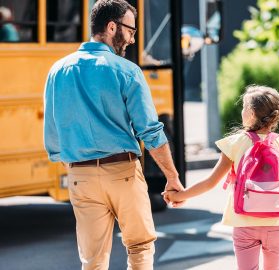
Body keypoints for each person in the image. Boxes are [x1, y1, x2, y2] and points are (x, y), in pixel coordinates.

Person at [43, 1, 184, 269]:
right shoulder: (126, 71)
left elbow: (53, 133)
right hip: (122, 171)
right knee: (140, 248)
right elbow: (150, 131)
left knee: (93, 260)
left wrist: (76, 165)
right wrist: (172, 177)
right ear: (111, 27)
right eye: (130, 31)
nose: (132, 39)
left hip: (80, 176)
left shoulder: (57, 71)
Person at [163, 85, 279, 270]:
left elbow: (210, 182)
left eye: (244, 107)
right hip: (276, 224)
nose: (242, 110)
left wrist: (177, 196)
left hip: (244, 223)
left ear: (252, 113)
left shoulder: (235, 144)